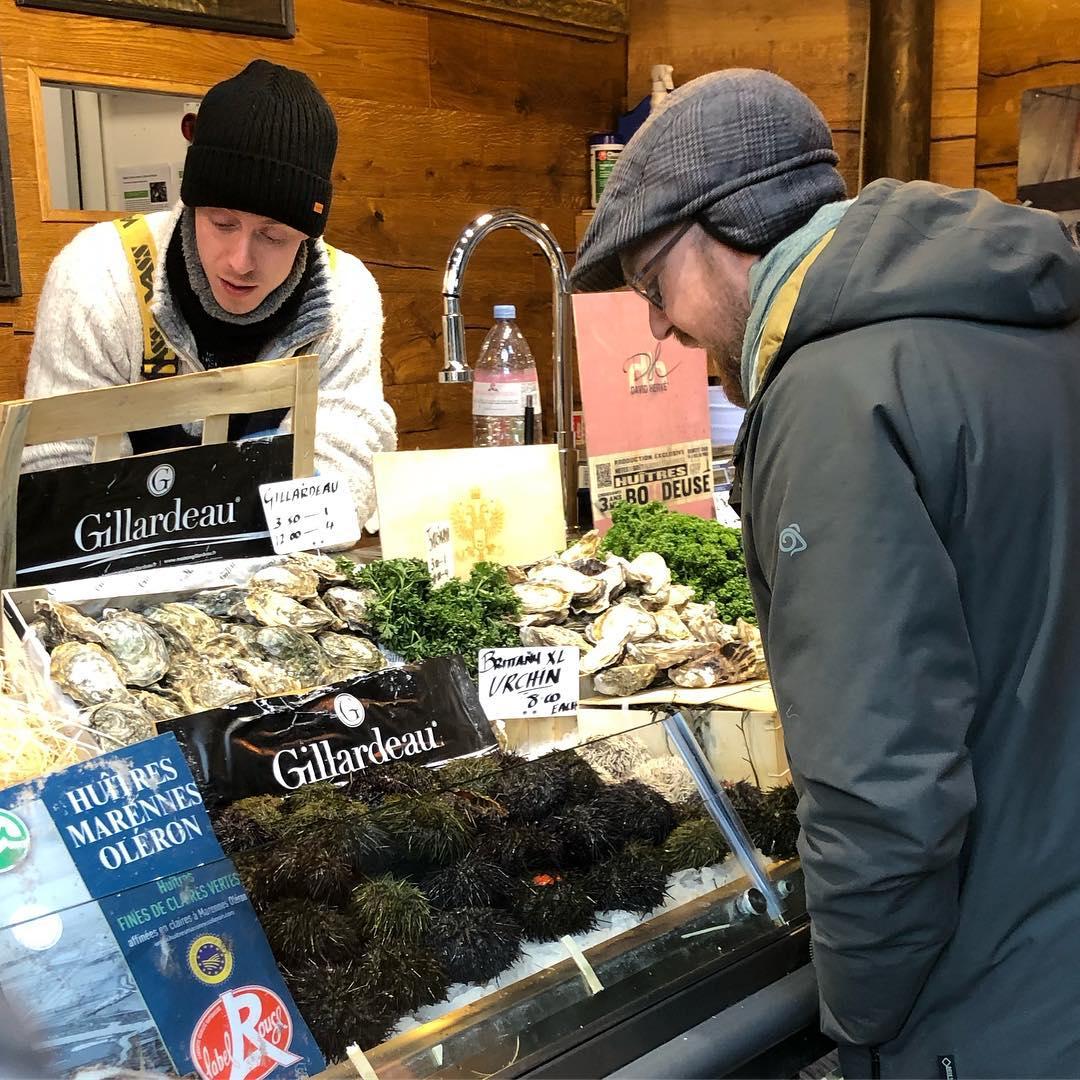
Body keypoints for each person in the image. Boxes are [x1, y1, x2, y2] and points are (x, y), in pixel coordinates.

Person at [572, 68, 1080, 1079]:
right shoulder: (1025, 322)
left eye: (649, 286)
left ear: (717, 232)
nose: (660, 329)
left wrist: (854, 1022)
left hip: (988, 1003)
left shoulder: (832, 399)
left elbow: (882, 789)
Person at [22, 59, 396, 524]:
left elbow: (344, 465)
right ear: (192, 204)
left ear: (308, 235)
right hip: (113, 567)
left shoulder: (347, 294)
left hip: (273, 568)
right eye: (222, 223)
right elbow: (57, 474)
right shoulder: (98, 274)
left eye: (274, 236)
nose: (241, 261)